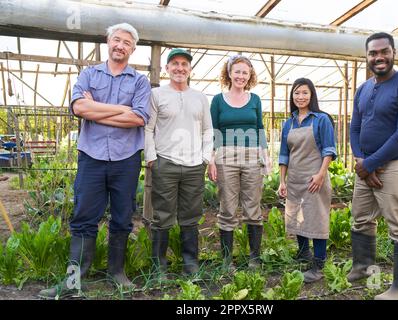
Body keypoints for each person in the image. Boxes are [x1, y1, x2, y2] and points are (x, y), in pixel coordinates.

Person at [39, 23, 150, 298]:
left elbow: (138, 118)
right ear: (107, 41)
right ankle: (73, 281)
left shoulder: (139, 81)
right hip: (92, 156)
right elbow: (79, 107)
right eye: (116, 40)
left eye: (126, 42)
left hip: (126, 159)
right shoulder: (89, 74)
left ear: (133, 49)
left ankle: (117, 273)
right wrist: (119, 109)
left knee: (123, 217)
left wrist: (96, 109)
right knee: (83, 218)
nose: (120, 45)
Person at [348, 32, 398, 300]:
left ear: (393, 53)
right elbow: (354, 128)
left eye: (384, 51)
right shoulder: (363, 88)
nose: (378, 57)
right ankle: (363, 267)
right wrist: (360, 160)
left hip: (397, 164)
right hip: (366, 165)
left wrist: (369, 164)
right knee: (361, 219)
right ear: (366, 56)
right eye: (373, 53)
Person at [145, 48, 213, 277]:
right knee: (162, 215)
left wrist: (205, 158)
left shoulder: (200, 97)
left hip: (195, 166)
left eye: (184, 64)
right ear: (167, 69)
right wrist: (152, 158)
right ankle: (159, 267)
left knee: (190, 215)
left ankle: (190, 263)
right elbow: (148, 128)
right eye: (174, 64)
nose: (179, 68)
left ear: (190, 69)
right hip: (166, 162)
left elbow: (207, 130)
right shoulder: (157, 95)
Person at [208, 55, 271, 270]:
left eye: (245, 72)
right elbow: (213, 131)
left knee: (253, 207)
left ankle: (254, 258)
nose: (241, 76)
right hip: (226, 156)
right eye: (237, 71)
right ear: (229, 73)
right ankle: (227, 261)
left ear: (250, 75)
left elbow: (260, 128)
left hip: (253, 155)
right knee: (227, 207)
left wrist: (266, 155)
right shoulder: (217, 100)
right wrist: (211, 160)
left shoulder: (255, 100)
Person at [278, 78, 336, 283]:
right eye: (296, 93)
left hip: (314, 177)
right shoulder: (289, 122)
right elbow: (284, 154)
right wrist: (282, 181)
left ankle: (319, 265)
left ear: (311, 95)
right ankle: (303, 253)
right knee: (297, 217)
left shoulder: (321, 119)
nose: (300, 97)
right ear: (292, 96)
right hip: (294, 178)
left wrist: (321, 175)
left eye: (304, 93)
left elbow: (329, 150)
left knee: (317, 218)